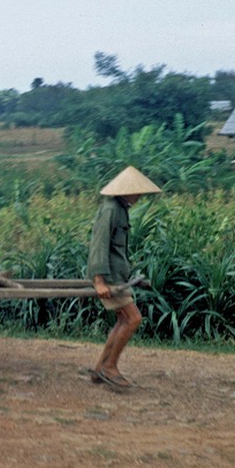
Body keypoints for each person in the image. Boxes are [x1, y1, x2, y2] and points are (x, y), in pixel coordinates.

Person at [86, 165, 162, 392]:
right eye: (137, 192)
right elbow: (98, 244)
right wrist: (99, 280)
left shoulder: (120, 209)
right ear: (126, 191)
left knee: (123, 320)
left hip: (117, 276)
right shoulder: (110, 210)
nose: (138, 196)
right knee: (133, 318)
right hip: (108, 276)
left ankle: (101, 366)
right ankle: (110, 366)